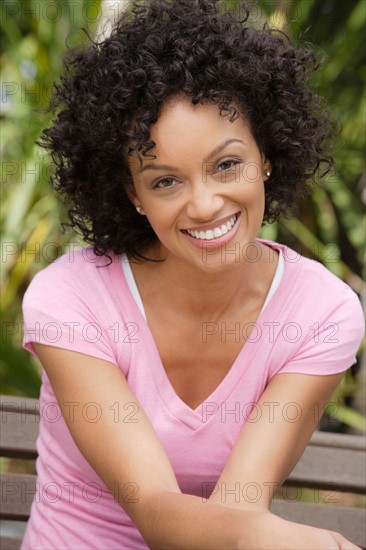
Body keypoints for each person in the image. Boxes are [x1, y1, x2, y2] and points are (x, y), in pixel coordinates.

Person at [21, 0, 364, 548]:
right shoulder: (71, 299)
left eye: (226, 165)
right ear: (132, 194)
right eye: (165, 181)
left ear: (267, 157)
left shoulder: (319, 313)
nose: (204, 205)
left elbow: (237, 515)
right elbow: (157, 513)